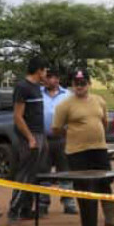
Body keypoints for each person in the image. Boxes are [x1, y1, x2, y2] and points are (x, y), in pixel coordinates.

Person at [51, 70, 114, 226]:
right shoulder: (64, 105)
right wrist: (74, 133)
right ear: (72, 85)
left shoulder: (99, 100)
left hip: (99, 149)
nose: (80, 86)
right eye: (76, 83)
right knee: (83, 187)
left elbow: (104, 122)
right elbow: (56, 129)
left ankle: (111, 219)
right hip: (77, 152)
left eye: (83, 83)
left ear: (89, 84)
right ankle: (88, 224)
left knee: (105, 184)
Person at [8, 56, 50, 221]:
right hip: (30, 135)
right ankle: (14, 210)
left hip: (40, 134)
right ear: (39, 70)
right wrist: (30, 138)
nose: (46, 73)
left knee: (35, 174)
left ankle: (26, 209)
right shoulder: (22, 87)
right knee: (25, 174)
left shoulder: (36, 87)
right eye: (45, 70)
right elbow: (18, 117)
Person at [41, 68, 78, 215]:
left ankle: (68, 202)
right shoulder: (38, 94)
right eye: (49, 77)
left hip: (64, 138)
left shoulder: (68, 95)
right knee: (43, 172)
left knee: (65, 172)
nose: (52, 80)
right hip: (44, 139)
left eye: (55, 77)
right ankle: (43, 203)